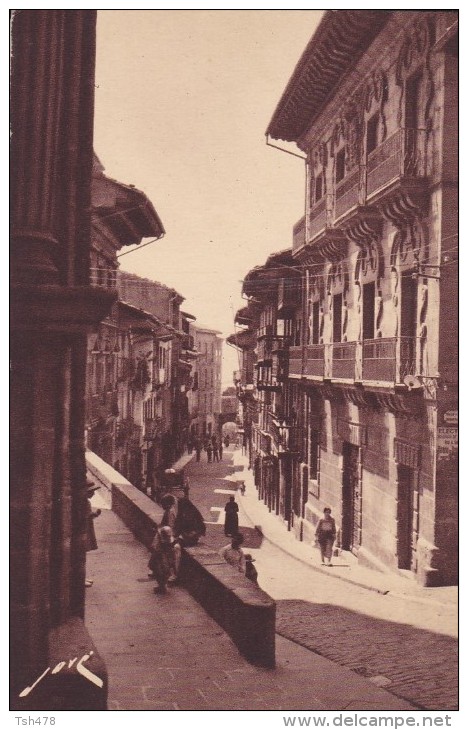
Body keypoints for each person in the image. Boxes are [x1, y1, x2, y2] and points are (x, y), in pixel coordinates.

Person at [148, 526, 178, 593]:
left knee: (164, 571)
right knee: (159, 571)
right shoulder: (160, 539)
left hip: (164, 558)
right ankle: (161, 586)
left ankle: (162, 586)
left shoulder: (170, 542)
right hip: (160, 557)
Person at [85, 480, 101, 587]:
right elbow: (84, 516)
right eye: (92, 491)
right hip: (84, 531)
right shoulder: (84, 503)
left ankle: (83, 577)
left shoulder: (86, 502)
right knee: (81, 555)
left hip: (86, 530)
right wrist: (93, 514)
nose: (93, 493)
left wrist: (93, 514)